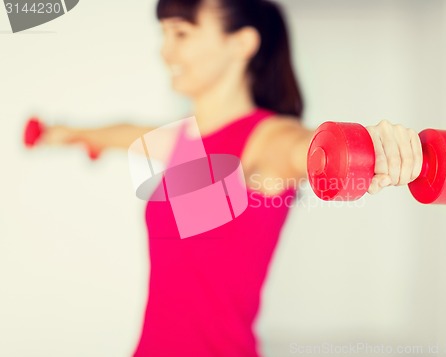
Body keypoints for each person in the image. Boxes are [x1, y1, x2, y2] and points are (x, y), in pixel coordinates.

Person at [38, 0, 423, 355]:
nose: (165, 51)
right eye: (165, 34)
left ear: (241, 44)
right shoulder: (179, 140)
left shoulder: (268, 138)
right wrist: (69, 134)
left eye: (182, 34)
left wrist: (373, 145)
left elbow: (309, 150)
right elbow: (123, 132)